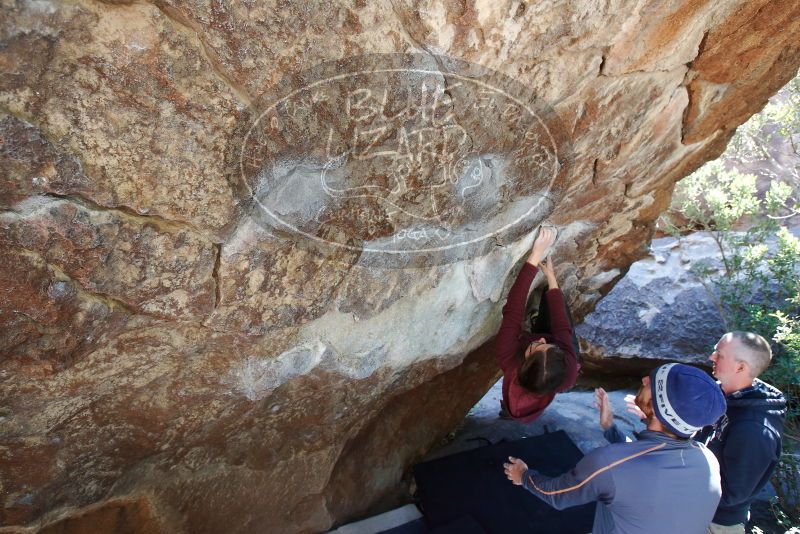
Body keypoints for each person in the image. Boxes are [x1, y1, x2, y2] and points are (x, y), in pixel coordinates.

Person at [504, 363, 727, 534]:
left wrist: (523, 475)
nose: (644, 379)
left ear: (658, 410)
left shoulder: (607, 462)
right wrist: (610, 428)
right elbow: (644, 468)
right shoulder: (707, 459)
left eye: (652, 383)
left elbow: (557, 495)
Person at [695, 332, 787, 534]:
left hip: (716, 524)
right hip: (697, 513)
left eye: (719, 354)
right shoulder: (722, 396)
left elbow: (731, 494)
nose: (711, 357)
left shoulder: (755, 429)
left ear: (740, 367)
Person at [495, 226, 580, 423]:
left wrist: (535, 255)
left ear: (523, 364)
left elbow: (513, 312)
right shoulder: (567, 373)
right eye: (547, 344)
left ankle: (536, 320)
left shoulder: (507, 356)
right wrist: (551, 278)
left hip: (533, 363)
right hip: (556, 352)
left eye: (536, 345)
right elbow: (561, 328)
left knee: (542, 322)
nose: (541, 339)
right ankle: (539, 318)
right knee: (552, 302)